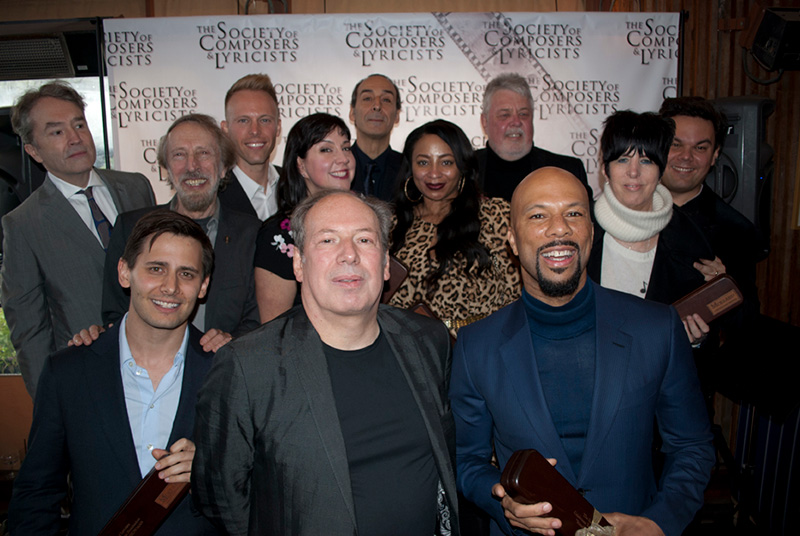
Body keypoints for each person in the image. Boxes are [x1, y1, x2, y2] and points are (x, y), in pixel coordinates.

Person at [450, 167, 714, 536]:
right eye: (538, 215)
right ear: (511, 238)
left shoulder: (657, 329)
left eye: (574, 213)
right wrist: (501, 499)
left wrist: (658, 522)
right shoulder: (476, 346)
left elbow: (692, 447)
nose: (559, 228)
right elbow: (467, 460)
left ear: (591, 230)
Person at [193, 190, 458, 536]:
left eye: (364, 239)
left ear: (384, 262)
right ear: (299, 263)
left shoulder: (427, 341)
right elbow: (220, 498)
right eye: (328, 240)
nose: (349, 254)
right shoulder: (246, 366)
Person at [9, 211, 220, 535]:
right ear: (124, 272)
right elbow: (36, 495)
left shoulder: (226, 372)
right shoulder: (68, 373)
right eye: (156, 269)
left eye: (187, 274)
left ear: (203, 286)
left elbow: (263, 488)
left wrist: (211, 473)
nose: (170, 287)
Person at [1, 81, 155, 398]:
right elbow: (30, 331)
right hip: (88, 382)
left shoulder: (136, 188)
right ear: (33, 151)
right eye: (56, 132)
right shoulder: (23, 225)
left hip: (160, 367)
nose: (75, 138)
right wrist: (52, 402)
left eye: (79, 125)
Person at [102, 114, 260, 351]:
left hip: (223, 370)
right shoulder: (131, 227)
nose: (192, 166)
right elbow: (115, 313)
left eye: (203, 153)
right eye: (179, 155)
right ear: (165, 169)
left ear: (224, 167)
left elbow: (259, 318)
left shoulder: (253, 234)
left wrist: (233, 342)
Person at [587, 110, 719, 344]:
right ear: (605, 169)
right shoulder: (579, 232)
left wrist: (697, 341)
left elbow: (718, 338)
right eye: (623, 159)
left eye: (646, 160)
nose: (634, 172)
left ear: (660, 171)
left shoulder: (692, 242)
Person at [389, 119, 520, 337]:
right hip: (411, 355)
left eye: (446, 162)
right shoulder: (391, 225)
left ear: (462, 165)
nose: (434, 173)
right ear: (410, 168)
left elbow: (512, 293)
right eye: (423, 162)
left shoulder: (494, 216)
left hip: (479, 350)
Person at [659, 96, 761, 318]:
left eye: (700, 147)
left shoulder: (736, 230)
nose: (686, 157)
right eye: (676, 145)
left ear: (715, 155)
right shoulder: (622, 211)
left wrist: (723, 289)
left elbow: (747, 320)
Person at [254, 113, 355, 323]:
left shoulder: (367, 221)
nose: (343, 158)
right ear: (301, 165)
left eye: (346, 147)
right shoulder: (279, 236)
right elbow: (274, 327)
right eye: (326, 149)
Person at [476, 73, 592, 203]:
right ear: (485, 122)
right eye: (505, 115)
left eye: (523, 114)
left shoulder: (568, 172)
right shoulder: (462, 171)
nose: (516, 121)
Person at [218, 73, 282, 221]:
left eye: (265, 120)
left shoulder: (298, 187)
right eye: (243, 121)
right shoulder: (213, 196)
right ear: (225, 128)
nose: (255, 130)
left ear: (278, 127)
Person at [348, 73, 403, 201]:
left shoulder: (409, 170)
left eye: (386, 100)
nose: (377, 106)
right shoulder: (336, 168)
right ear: (352, 113)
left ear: (397, 115)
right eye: (367, 98)